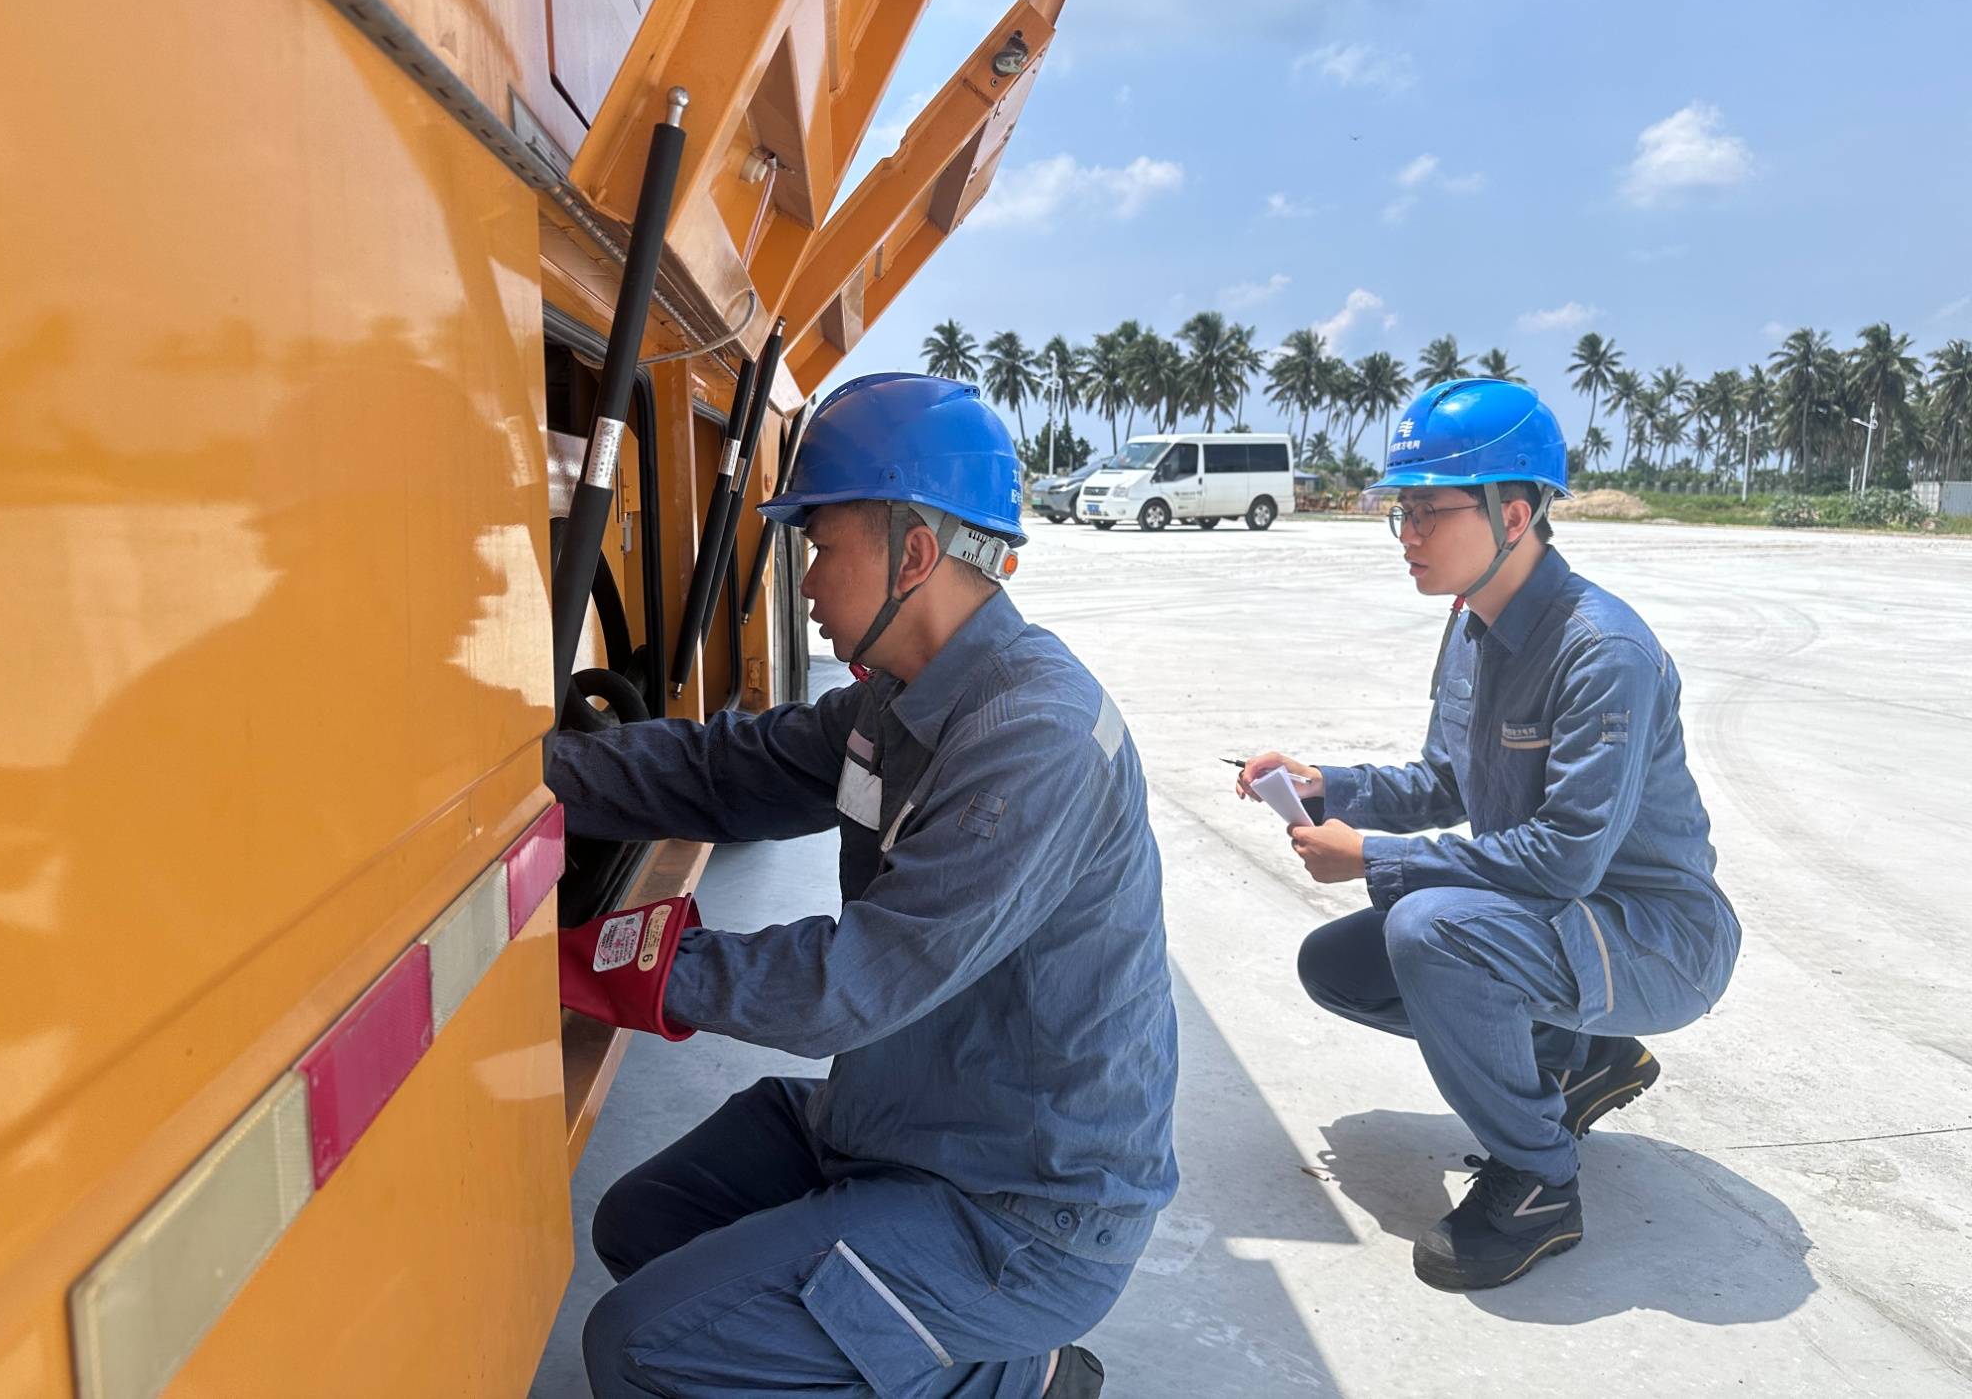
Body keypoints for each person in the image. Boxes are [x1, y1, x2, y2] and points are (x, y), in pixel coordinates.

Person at [550, 372, 1178, 1397]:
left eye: (818, 547)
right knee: (643, 1226)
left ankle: (1019, 1378)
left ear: (913, 554)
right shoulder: (900, 700)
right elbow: (727, 773)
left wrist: (607, 961)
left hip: (1018, 1202)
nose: (803, 584)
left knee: (635, 1346)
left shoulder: (1034, 741)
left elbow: (851, 984)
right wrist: (530, 781)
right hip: (919, 1113)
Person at [1237, 378, 1739, 1292]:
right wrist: (1327, 785)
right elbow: (1444, 781)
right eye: (1401, 514)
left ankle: (1541, 1182)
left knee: (1429, 933)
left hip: (1655, 939)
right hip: (1557, 923)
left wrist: (1375, 861)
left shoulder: (1604, 653)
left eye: (1428, 511)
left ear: (1514, 514)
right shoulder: (1472, 627)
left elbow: (1565, 857)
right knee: (1339, 966)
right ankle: (1580, 1059)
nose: (1409, 536)